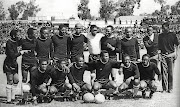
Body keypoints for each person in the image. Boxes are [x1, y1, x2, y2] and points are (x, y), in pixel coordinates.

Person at [3, 29, 28, 103]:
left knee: (16, 80)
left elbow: (23, 42)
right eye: (18, 35)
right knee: (10, 81)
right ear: (13, 36)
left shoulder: (16, 41)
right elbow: (12, 55)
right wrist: (21, 52)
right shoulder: (9, 43)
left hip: (14, 63)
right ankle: (9, 100)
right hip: (9, 63)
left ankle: (13, 97)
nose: (19, 36)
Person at [158, 22, 179, 93]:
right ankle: (164, 88)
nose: (163, 29)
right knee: (163, 73)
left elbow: (177, 45)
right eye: (162, 28)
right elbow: (159, 47)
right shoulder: (160, 36)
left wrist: (176, 53)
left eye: (164, 28)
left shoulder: (173, 35)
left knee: (170, 72)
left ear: (168, 27)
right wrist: (159, 55)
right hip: (163, 55)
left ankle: (170, 88)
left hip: (171, 55)